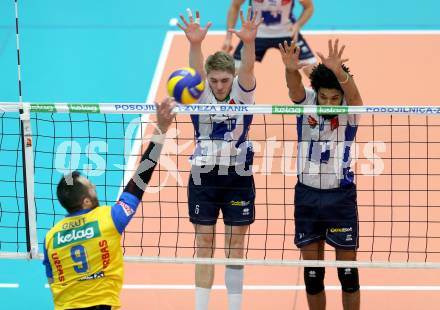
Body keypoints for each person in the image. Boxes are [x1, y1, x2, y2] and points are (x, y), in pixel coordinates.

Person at [42, 98, 176, 310]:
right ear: (86, 200)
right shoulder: (109, 219)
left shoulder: (51, 237)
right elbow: (140, 179)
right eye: (91, 187)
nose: (94, 186)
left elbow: (52, 281)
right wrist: (160, 129)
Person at [177, 8, 260, 310]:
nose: (220, 85)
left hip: (238, 177)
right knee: (204, 246)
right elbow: (196, 69)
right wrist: (195, 44)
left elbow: (249, 69)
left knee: (235, 246)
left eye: (225, 80)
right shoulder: (201, 93)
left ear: (232, 78)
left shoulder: (243, 92)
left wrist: (249, 43)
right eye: (215, 80)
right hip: (203, 177)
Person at [279, 39, 362, 310]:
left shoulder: (350, 111)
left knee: (347, 275)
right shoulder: (308, 103)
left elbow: (356, 96)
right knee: (313, 276)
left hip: (340, 198)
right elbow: (294, 88)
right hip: (307, 195)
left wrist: (340, 73)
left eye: (334, 98)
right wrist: (291, 70)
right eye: (324, 97)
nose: (328, 103)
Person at [222, 0, 316, 75]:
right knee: (233, 74)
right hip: (255, 34)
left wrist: (297, 25)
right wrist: (228, 38)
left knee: (315, 73)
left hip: (288, 33)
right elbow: (234, 6)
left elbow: (309, 7)